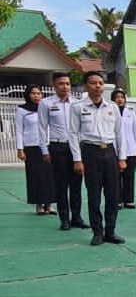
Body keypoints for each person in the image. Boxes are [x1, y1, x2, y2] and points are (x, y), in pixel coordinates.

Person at [68, 71, 126, 246]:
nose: (98, 86)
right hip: (90, 152)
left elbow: (119, 133)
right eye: (93, 83)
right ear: (86, 86)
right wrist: (77, 159)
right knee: (94, 194)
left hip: (109, 152)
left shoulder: (112, 107)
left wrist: (121, 157)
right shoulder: (78, 107)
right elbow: (72, 134)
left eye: (101, 83)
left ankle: (110, 231)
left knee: (113, 195)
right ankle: (97, 232)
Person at [39, 71, 87, 230]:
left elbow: (82, 127)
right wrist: (45, 150)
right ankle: (64, 218)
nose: (65, 87)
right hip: (57, 147)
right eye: (61, 84)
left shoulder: (77, 103)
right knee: (61, 185)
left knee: (76, 185)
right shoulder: (46, 103)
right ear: (54, 86)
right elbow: (42, 128)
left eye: (67, 83)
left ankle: (77, 217)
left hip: (75, 147)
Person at [15, 85, 55, 215]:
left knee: (50, 176)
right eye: (33, 93)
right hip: (31, 147)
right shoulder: (22, 110)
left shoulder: (46, 108)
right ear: (28, 95)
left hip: (48, 146)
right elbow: (19, 130)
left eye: (39, 93)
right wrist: (20, 149)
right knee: (36, 177)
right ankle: (39, 205)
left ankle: (49, 204)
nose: (36, 96)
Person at [112, 89, 136, 209]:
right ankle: (118, 200)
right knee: (116, 176)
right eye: (117, 97)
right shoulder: (110, 112)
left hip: (130, 150)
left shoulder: (130, 113)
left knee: (129, 176)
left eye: (122, 97)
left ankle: (129, 199)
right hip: (115, 150)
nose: (120, 99)